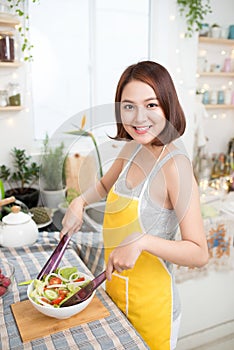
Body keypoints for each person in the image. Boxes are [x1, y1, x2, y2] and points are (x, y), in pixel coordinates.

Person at [61, 61, 209, 350]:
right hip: (115, 295)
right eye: (129, 106)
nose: (139, 117)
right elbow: (104, 186)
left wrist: (142, 241)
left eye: (151, 104)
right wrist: (79, 201)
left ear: (167, 106)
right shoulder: (132, 147)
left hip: (152, 311)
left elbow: (199, 252)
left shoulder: (175, 166)